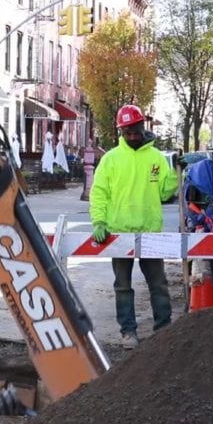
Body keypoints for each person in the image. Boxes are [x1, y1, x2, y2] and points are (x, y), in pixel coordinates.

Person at [89, 104, 178, 349]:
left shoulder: (156, 158)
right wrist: (99, 221)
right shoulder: (111, 160)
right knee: (123, 286)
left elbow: (164, 193)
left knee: (158, 284)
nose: (131, 136)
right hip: (119, 232)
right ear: (121, 131)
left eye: (134, 131)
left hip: (149, 231)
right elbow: (99, 194)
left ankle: (164, 329)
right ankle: (128, 332)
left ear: (142, 127)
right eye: (126, 132)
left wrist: (174, 173)